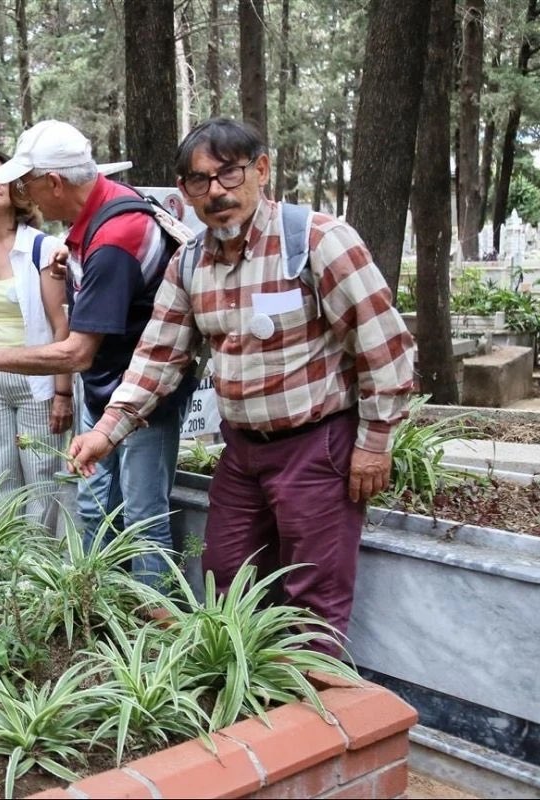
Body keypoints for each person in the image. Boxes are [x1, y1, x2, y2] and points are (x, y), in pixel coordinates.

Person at [67, 118, 416, 650]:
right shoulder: (190, 262)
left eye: (228, 175)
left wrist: (374, 444)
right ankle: (244, 713)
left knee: (313, 601)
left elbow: (385, 345)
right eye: (198, 181)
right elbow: (158, 355)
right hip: (243, 452)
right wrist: (107, 430)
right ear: (183, 192)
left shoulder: (317, 241)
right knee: (225, 579)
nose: (216, 192)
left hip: (316, 448)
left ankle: (312, 718)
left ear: (261, 169)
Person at [0, 120, 194, 591]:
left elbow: (78, 352)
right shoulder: (98, 212)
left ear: (55, 182)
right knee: (94, 506)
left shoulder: (116, 237)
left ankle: (157, 634)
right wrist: (74, 264)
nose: (28, 196)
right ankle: (102, 608)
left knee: (142, 519)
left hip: (142, 395)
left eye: (30, 184)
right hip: (105, 389)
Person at [0, 149, 73, 527]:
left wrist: (63, 392)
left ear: (17, 184)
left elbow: (61, 326)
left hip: (35, 379)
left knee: (42, 482)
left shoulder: (43, 248)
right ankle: (8, 573)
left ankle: (39, 572)